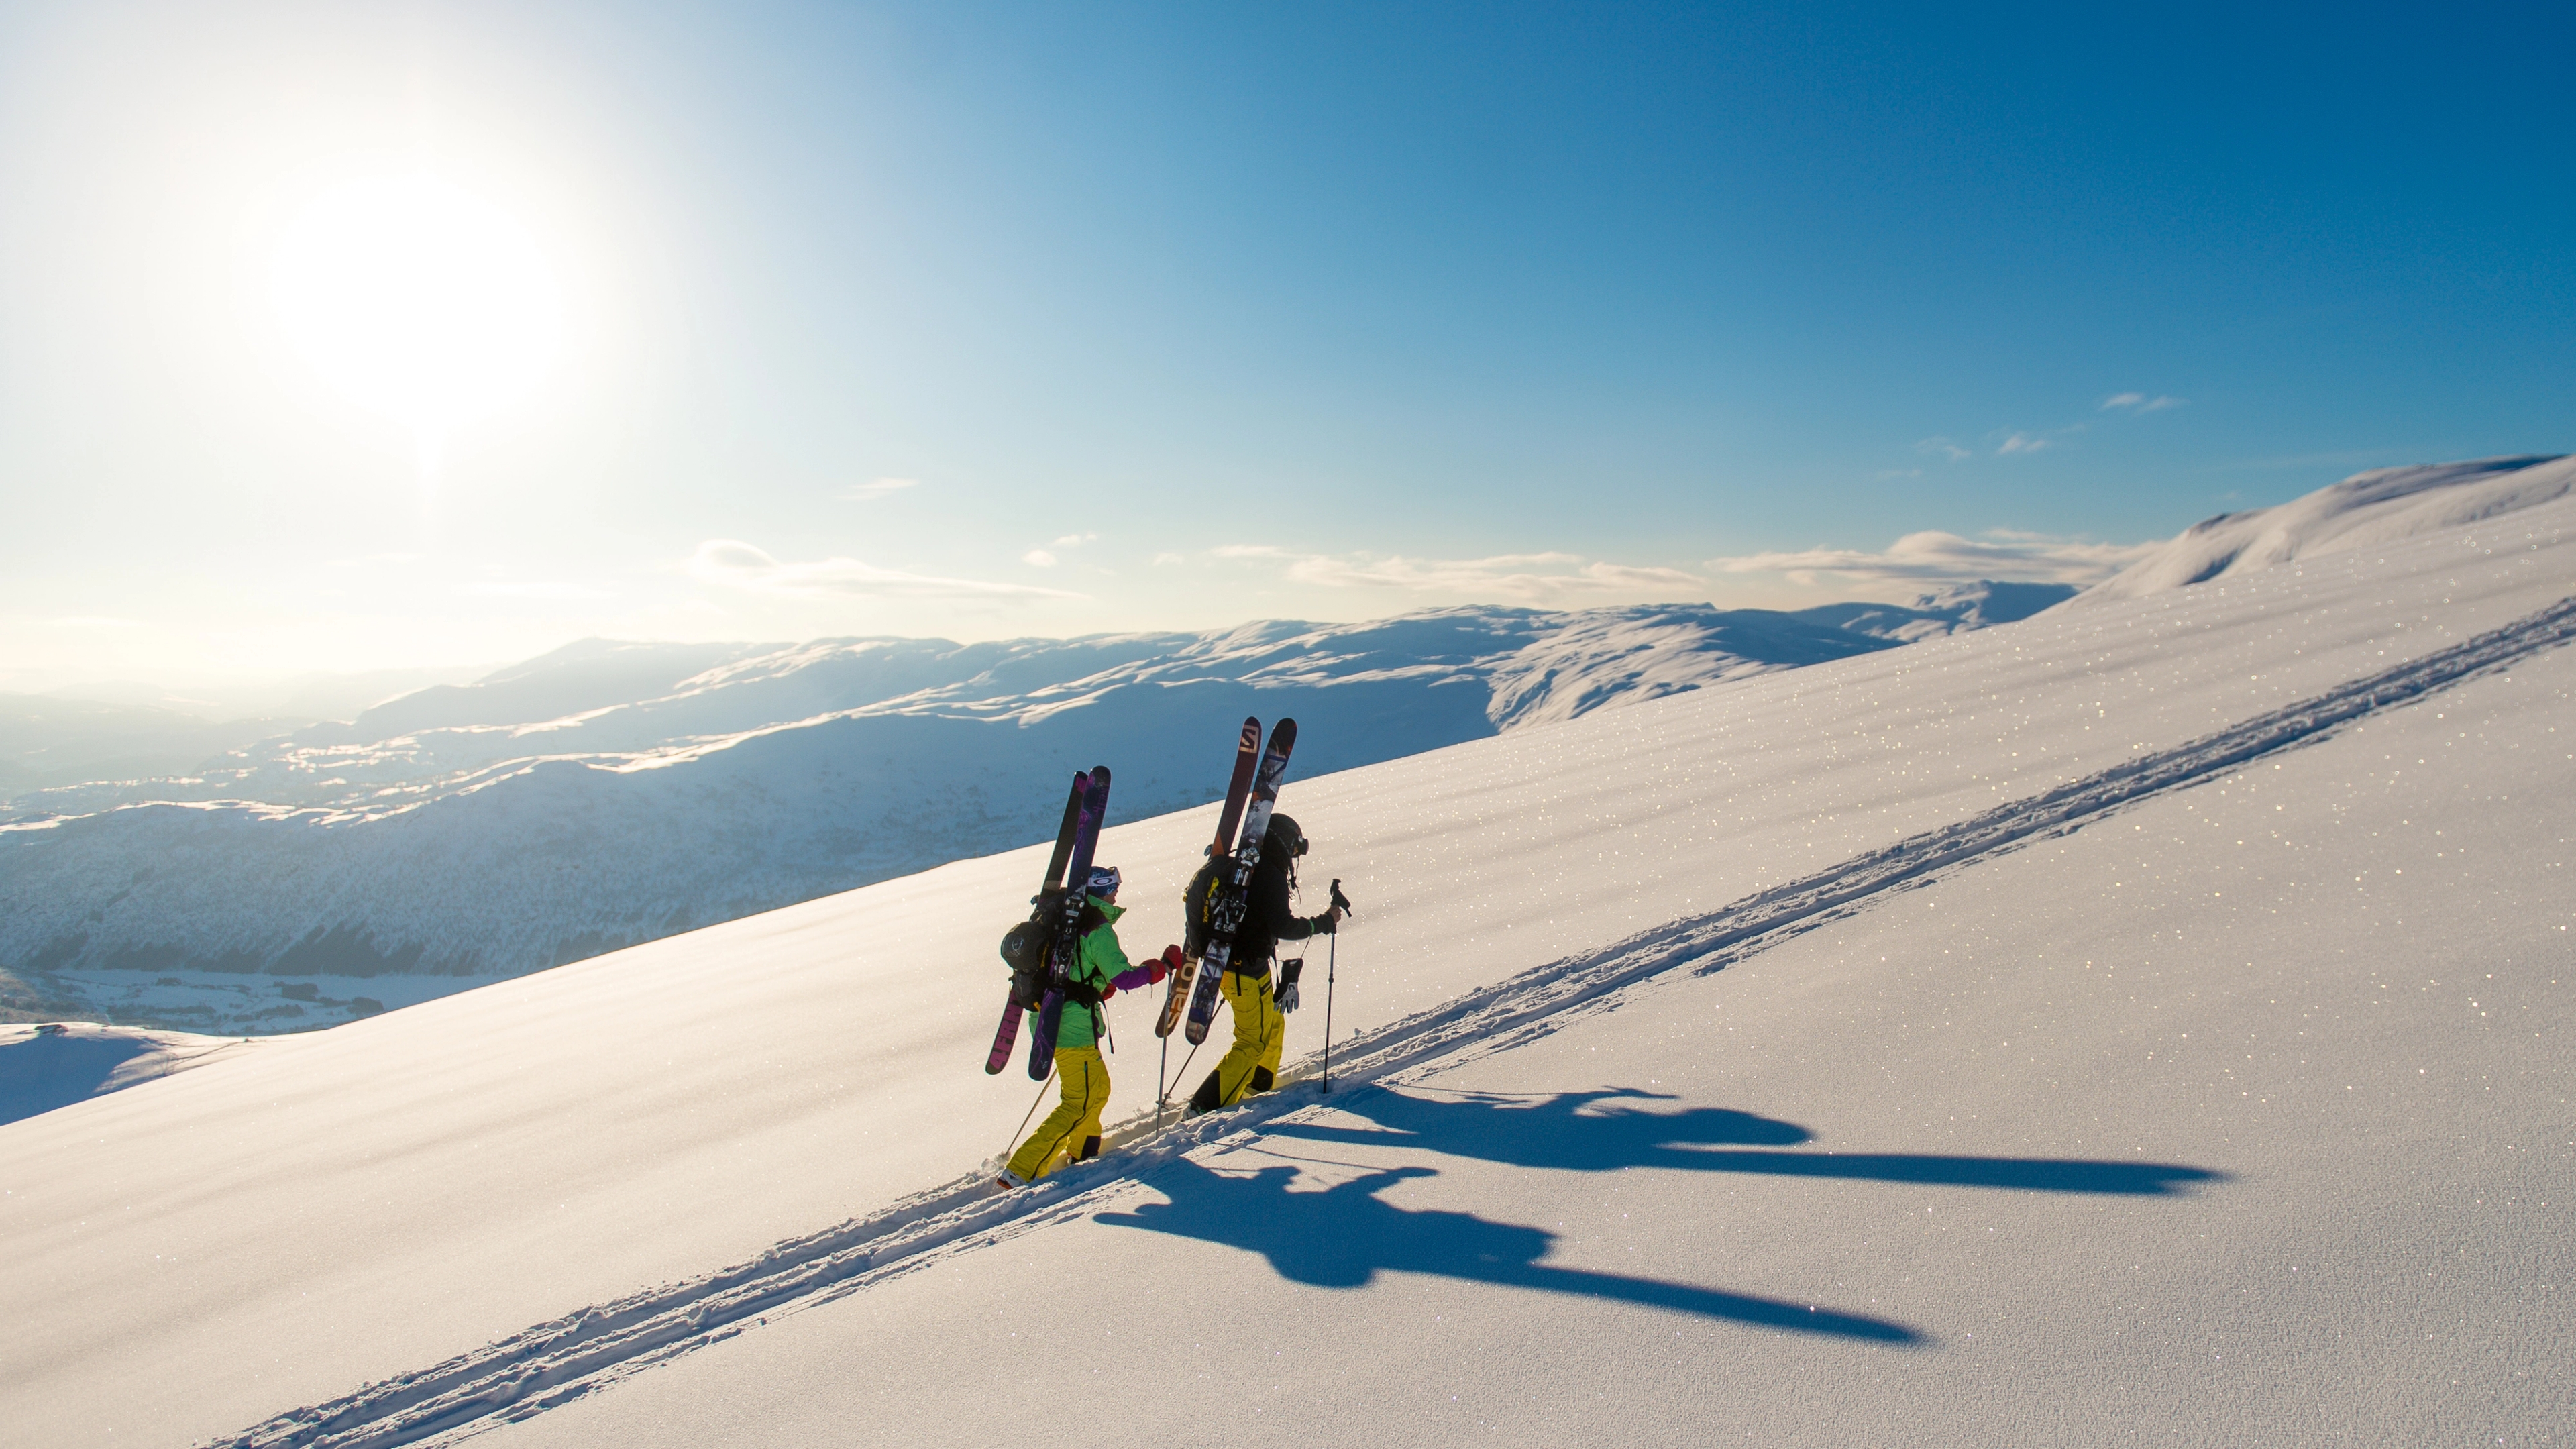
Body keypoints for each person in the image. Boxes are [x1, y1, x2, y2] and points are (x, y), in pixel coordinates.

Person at [999, 865, 1168, 1187]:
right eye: (1114, 887)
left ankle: (1083, 1150)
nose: (1118, 893)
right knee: (1079, 1101)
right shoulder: (1095, 928)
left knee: (1096, 1089)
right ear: (1102, 891)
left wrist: (1093, 986)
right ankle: (1021, 1170)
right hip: (1072, 1028)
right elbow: (1125, 977)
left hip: (1051, 1020)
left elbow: (1074, 971)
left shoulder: (1063, 920)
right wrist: (1160, 968)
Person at [1188, 813, 1344, 1114]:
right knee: (1251, 1042)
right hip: (1245, 970)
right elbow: (1282, 926)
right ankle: (1204, 1106)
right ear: (1284, 842)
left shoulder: (1235, 868)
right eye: (1295, 849)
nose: (1294, 857)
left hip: (1226, 966)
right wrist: (1323, 922)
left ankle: (1258, 1084)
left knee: (1272, 1022)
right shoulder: (1268, 874)